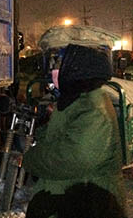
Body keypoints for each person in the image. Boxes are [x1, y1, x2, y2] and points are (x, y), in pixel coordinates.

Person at [23, 44, 126, 218]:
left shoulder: (93, 108)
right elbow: (60, 134)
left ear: (75, 71)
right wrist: (40, 129)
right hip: (73, 195)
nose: (53, 74)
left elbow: (74, 157)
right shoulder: (77, 98)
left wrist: (31, 159)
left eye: (58, 67)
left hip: (90, 203)